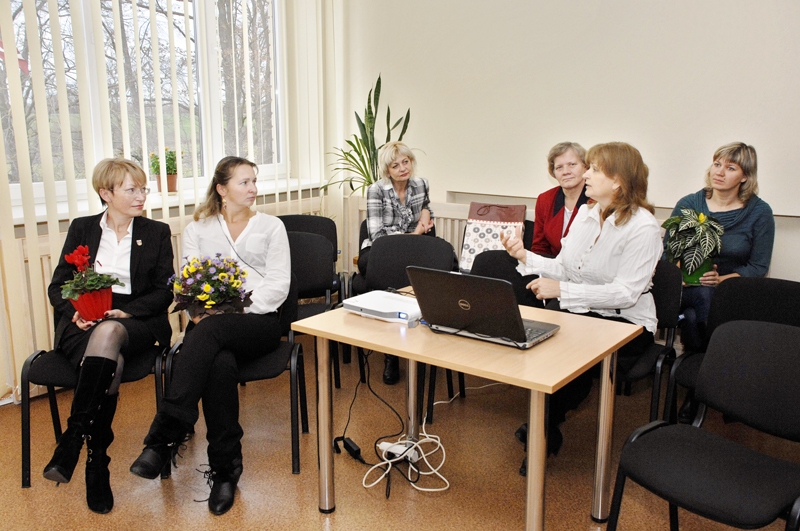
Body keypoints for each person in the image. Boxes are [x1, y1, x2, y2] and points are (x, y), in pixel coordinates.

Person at [129, 156, 290, 516]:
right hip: (210, 329)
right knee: (219, 364)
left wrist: (232, 312)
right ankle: (225, 471)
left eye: (254, 181)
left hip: (259, 322)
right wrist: (201, 312)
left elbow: (279, 285)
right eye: (244, 182)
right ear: (222, 189)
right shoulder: (199, 228)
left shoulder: (271, 227)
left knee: (212, 330)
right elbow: (187, 281)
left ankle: (165, 434)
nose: (253, 189)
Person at [502, 142, 662, 456]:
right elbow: (564, 267)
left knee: (568, 348)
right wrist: (523, 255)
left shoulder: (644, 228)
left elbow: (625, 293)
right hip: (583, 312)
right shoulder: (588, 213)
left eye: (594, 169)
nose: (585, 174)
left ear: (617, 181)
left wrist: (563, 291)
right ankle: (545, 427)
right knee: (551, 339)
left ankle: (542, 428)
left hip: (627, 324)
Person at [44, 158, 174, 514]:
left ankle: (72, 438)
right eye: (131, 189)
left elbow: (166, 292)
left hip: (136, 319)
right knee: (111, 363)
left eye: (143, 188)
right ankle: (96, 460)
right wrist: (76, 314)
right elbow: (58, 286)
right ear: (106, 193)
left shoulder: (157, 231)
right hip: (82, 322)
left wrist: (125, 311)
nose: (141, 196)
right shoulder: (82, 229)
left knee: (112, 330)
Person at [669, 142, 774, 422]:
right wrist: (683, 270)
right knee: (699, 301)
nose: (720, 172)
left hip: (732, 295)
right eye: (717, 164)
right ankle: (713, 386)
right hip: (688, 290)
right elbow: (669, 252)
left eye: (730, 168)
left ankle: (696, 387)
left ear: (745, 177)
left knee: (693, 316)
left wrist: (721, 280)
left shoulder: (759, 213)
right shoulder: (689, 204)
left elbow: (758, 267)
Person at [358, 141, 434, 385]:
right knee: (397, 276)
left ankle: (423, 347)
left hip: (413, 250)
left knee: (436, 271)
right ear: (387, 170)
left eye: (406, 162)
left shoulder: (421, 184)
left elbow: (426, 207)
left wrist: (425, 215)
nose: (403, 168)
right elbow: (377, 236)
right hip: (382, 251)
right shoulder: (376, 190)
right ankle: (392, 354)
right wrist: (416, 236)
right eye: (395, 165)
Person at [531, 142, 590, 257]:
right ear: (553, 173)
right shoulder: (545, 199)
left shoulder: (597, 200)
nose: (566, 171)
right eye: (559, 167)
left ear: (585, 167)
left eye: (572, 164)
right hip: (551, 269)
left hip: (586, 270)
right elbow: (540, 247)